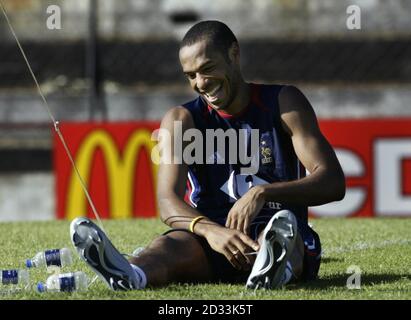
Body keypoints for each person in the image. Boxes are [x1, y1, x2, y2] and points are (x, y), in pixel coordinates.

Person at [70, 20, 345, 291]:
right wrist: (211, 231)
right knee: (167, 246)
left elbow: (332, 181)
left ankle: (273, 267)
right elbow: (167, 200)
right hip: (212, 242)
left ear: (234, 55)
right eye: (190, 75)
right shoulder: (181, 119)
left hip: (277, 228)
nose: (200, 83)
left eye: (207, 69)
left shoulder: (284, 102)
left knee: (280, 235)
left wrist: (263, 194)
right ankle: (132, 275)